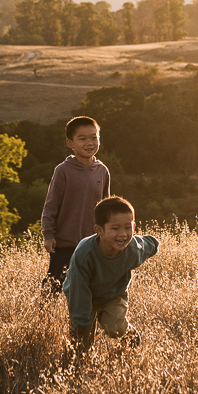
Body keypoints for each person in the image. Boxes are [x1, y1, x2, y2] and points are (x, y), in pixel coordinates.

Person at [61, 195, 158, 350]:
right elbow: (78, 291)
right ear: (99, 230)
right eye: (115, 228)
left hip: (114, 294)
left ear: (133, 227)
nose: (123, 234)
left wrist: (154, 244)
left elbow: (148, 245)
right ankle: (80, 364)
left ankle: (132, 337)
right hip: (83, 294)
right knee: (81, 343)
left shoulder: (133, 250)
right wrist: (81, 325)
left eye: (127, 227)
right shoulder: (85, 254)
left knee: (115, 328)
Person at [40, 115, 111, 294]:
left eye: (94, 137)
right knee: (54, 284)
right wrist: (48, 234)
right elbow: (51, 205)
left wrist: (108, 235)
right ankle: (42, 318)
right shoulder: (63, 170)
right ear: (70, 143)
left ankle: (82, 320)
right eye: (82, 138)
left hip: (93, 243)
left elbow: (106, 209)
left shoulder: (102, 170)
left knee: (90, 287)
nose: (89, 142)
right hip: (64, 243)